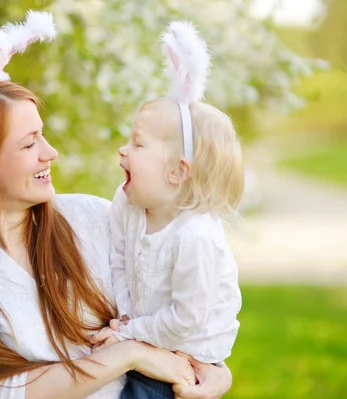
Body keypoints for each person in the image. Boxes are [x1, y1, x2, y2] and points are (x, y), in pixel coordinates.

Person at [0, 12, 233, 399]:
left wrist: (213, 372)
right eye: (29, 143)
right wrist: (129, 354)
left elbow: (182, 305)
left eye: (44, 136)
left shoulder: (92, 219)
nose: (50, 153)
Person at [90, 21, 243, 399]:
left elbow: (186, 319)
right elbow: (119, 260)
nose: (123, 150)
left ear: (177, 172)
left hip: (190, 354)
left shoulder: (194, 237)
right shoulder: (128, 203)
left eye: (138, 144)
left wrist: (129, 333)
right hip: (149, 336)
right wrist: (127, 317)